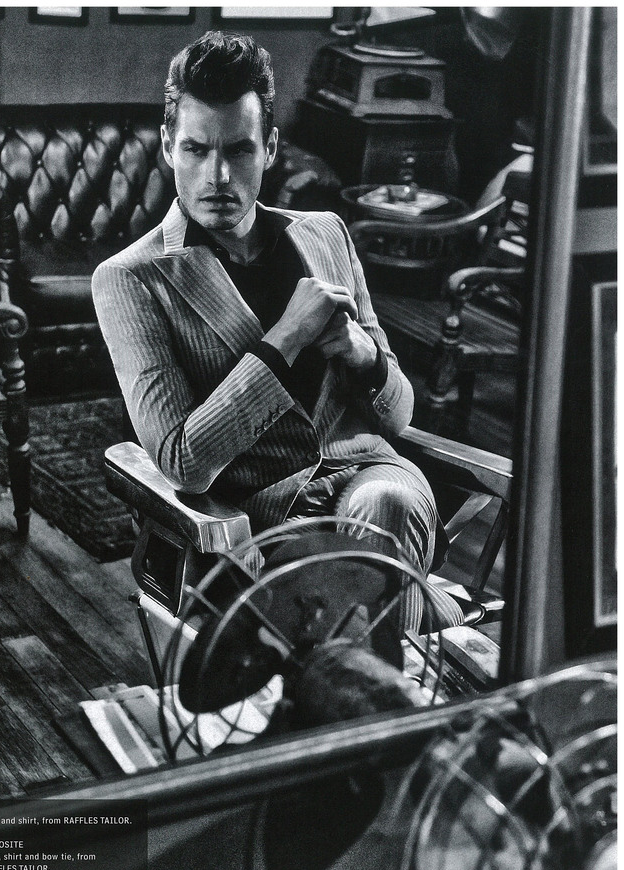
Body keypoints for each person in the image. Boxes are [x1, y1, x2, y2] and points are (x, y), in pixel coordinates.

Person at [93, 31, 463, 641]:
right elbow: (183, 462)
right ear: (168, 146)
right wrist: (284, 340)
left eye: (239, 150)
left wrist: (363, 354)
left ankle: (374, 662)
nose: (218, 175)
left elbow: (398, 416)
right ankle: (422, 637)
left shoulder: (326, 233)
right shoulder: (132, 279)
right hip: (263, 522)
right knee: (357, 591)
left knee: (385, 506)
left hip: (373, 481)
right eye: (196, 149)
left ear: (268, 149)